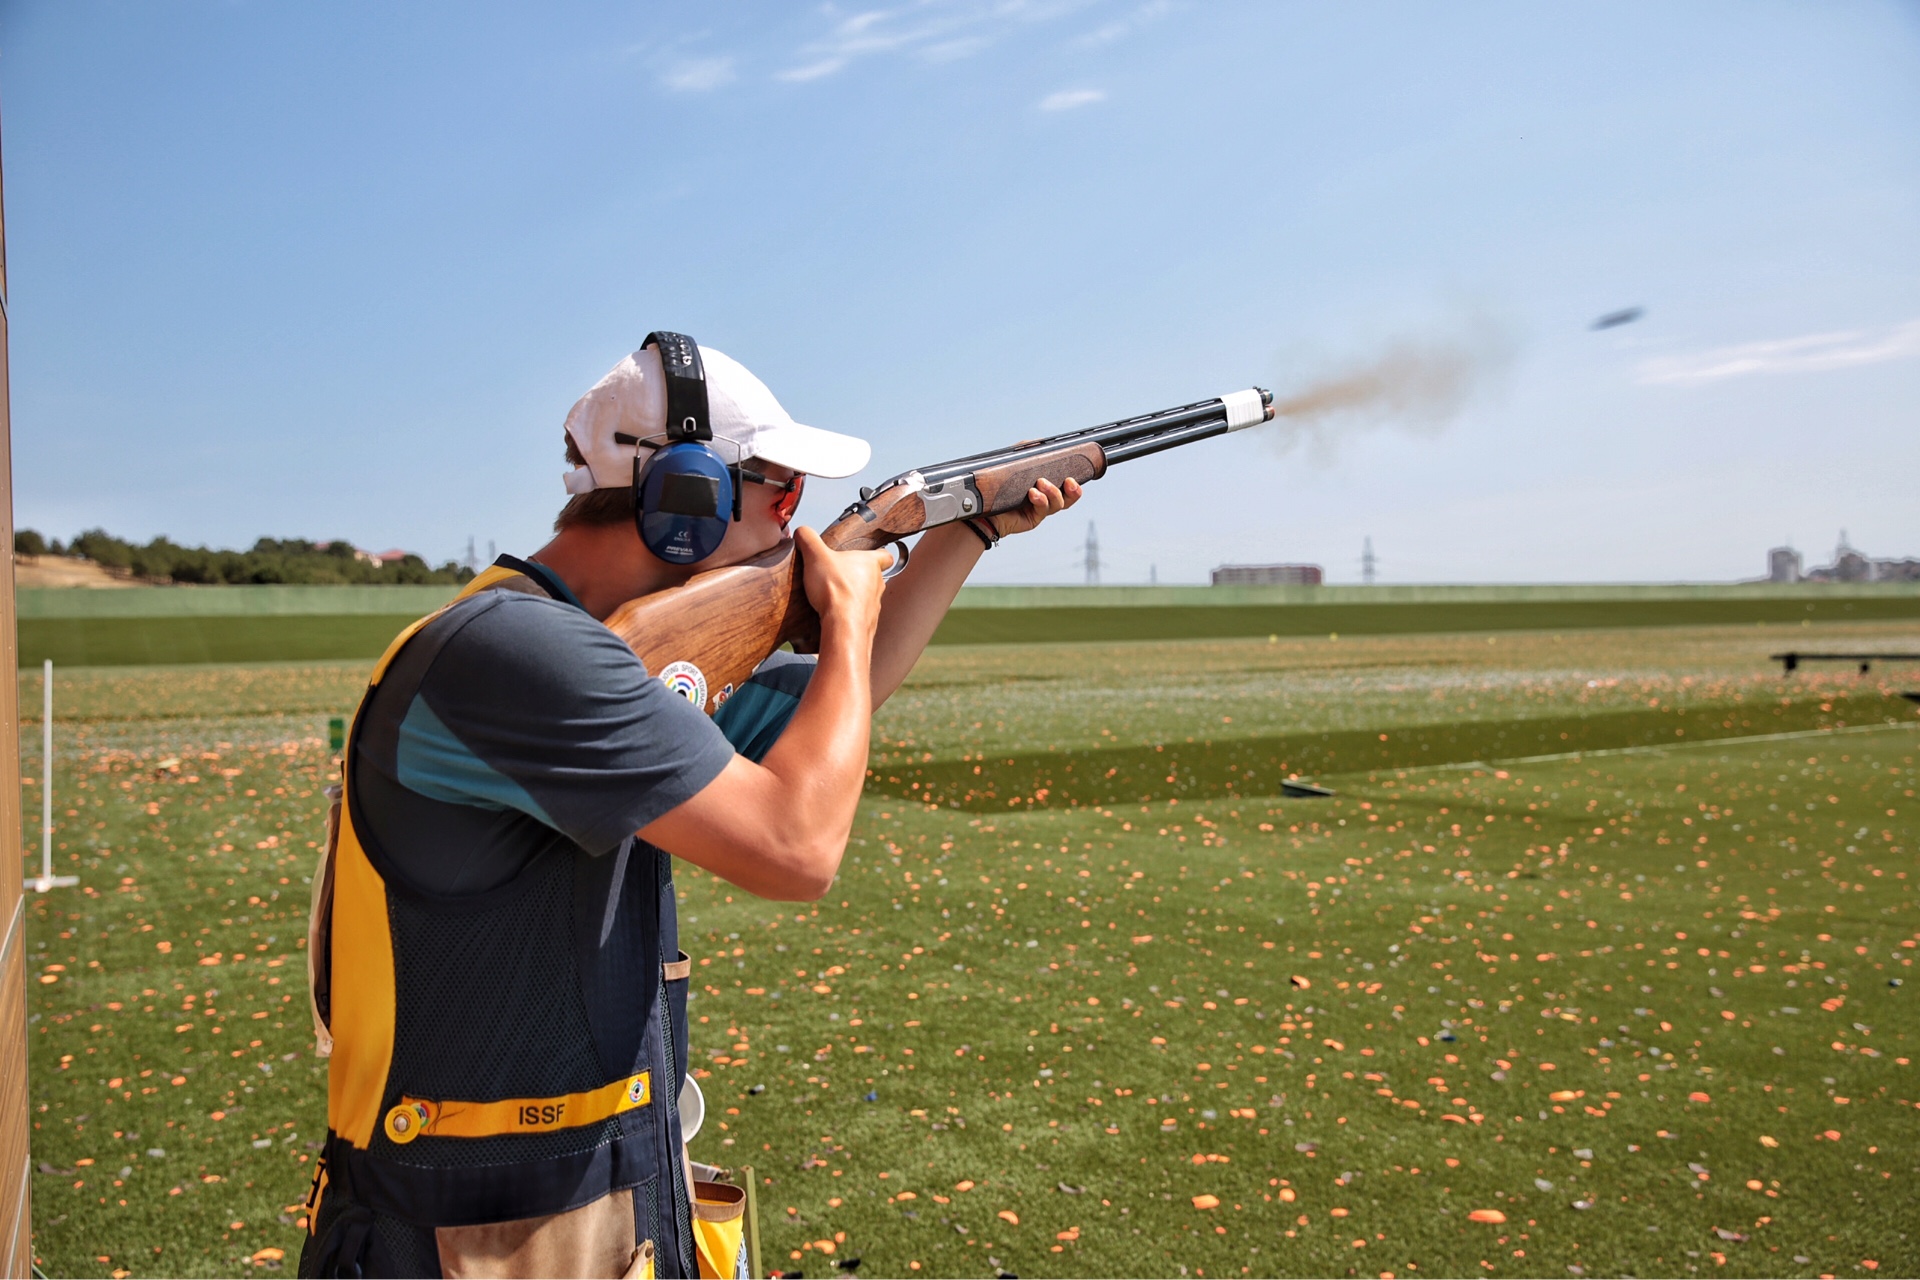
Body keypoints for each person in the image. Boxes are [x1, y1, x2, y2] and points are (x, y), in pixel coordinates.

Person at [300, 335, 1078, 1279]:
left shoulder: (590, 651)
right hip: (479, 1232)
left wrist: (966, 531)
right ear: (686, 496)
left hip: (573, 1201)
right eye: (783, 493)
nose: (798, 525)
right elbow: (798, 848)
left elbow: (842, 701)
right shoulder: (519, 653)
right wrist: (847, 611)